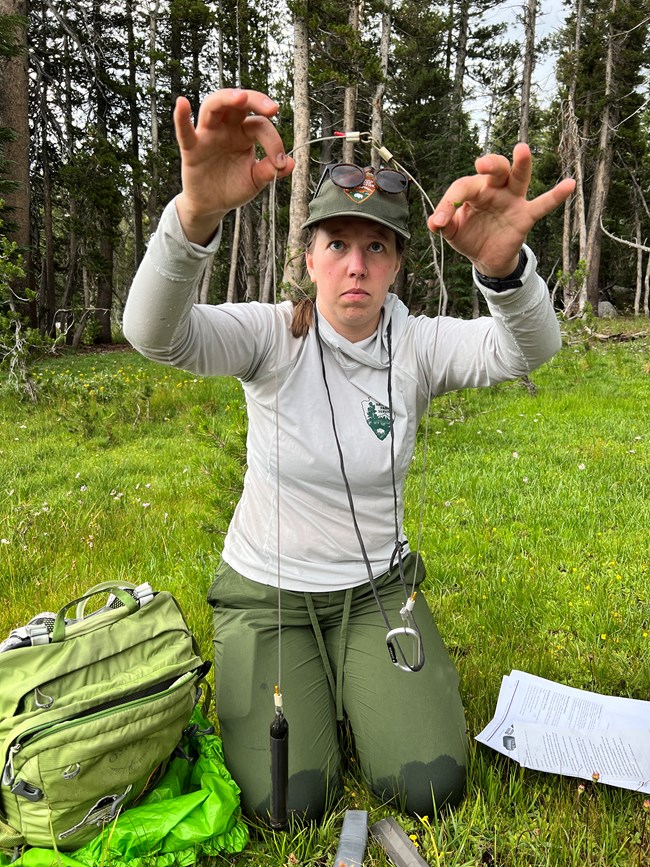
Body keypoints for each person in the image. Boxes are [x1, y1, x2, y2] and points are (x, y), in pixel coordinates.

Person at [123, 88, 575, 822]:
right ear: (309, 256)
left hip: (376, 594)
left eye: (375, 246)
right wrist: (195, 216)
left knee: (429, 784)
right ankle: (312, 687)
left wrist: (503, 272)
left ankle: (356, 682)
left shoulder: (418, 347)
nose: (355, 265)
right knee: (286, 802)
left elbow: (529, 349)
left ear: (397, 261)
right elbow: (152, 333)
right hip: (266, 595)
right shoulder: (271, 337)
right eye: (336, 243)